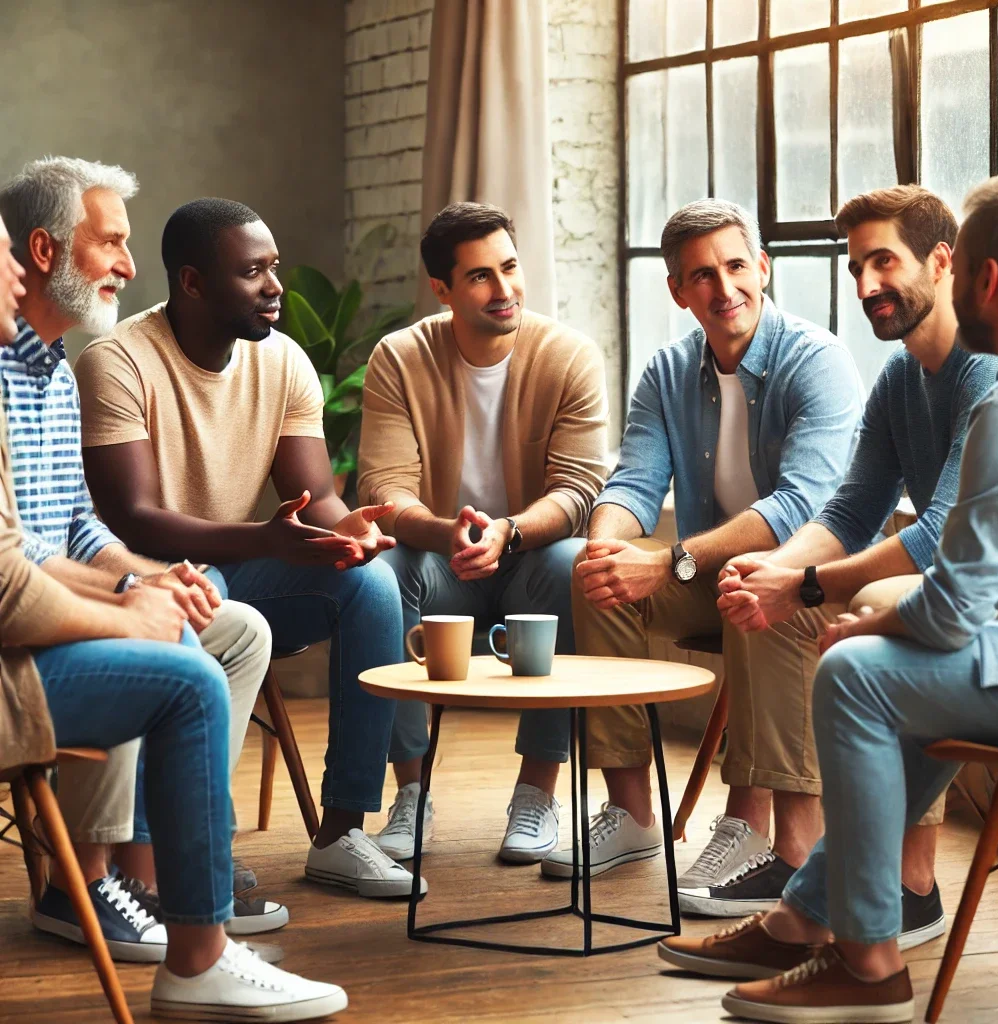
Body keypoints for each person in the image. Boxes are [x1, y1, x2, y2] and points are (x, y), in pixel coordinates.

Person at [658, 174, 998, 1024]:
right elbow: (852, 507)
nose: (863, 286)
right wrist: (786, 574)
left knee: (863, 669)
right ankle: (806, 914)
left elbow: (946, 566)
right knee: (881, 651)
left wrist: (828, 595)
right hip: (997, 631)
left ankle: (865, 955)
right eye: (853, 265)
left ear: (972, 273)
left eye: (883, 263)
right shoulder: (905, 380)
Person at [0, 209, 347, 1022]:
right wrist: (132, 613)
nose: (13, 276)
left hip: (27, 621)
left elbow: (65, 539)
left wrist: (145, 587)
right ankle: (180, 935)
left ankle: (161, 886)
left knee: (231, 624)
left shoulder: (40, 369)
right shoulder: (89, 365)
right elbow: (13, 585)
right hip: (12, 658)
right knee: (182, 671)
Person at [74, 198, 423, 898]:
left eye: (276, 269)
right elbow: (134, 519)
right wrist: (268, 540)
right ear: (194, 283)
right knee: (218, 606)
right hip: (151, 575)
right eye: (254, 272)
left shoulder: (285, 361)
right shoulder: (116, 363)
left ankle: (342, 831)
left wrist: (345, 531)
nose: (275, 288)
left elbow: (314, 496)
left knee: (374, 584)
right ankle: (198, 837)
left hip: (243, 561)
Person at [532, 199, 864, 893]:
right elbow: (632, 485)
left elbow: (800, 506)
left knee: (753, 583)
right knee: (589, 575)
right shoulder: (667, 373)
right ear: (679, 291)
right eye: (703, 276)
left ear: (764, 269)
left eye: (737, 266)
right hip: (713, 580)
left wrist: (668, 560)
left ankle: (751, 826)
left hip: (814, 588)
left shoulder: (818, 361)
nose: (724, 289)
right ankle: (629, 813)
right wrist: (606, 549)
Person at [357, 202, 607, 862]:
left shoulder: (569, 355)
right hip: (445, 570)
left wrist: (509, 532)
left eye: (511, 268)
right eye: (479, 278)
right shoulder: (401, 358)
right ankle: (411, 793)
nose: (504, 291)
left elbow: (580, 491)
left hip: (531, 562)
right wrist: (450, 535)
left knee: (573, 563)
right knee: (380, 576)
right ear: (441, 289)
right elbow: (383, 490)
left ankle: (536, 792)